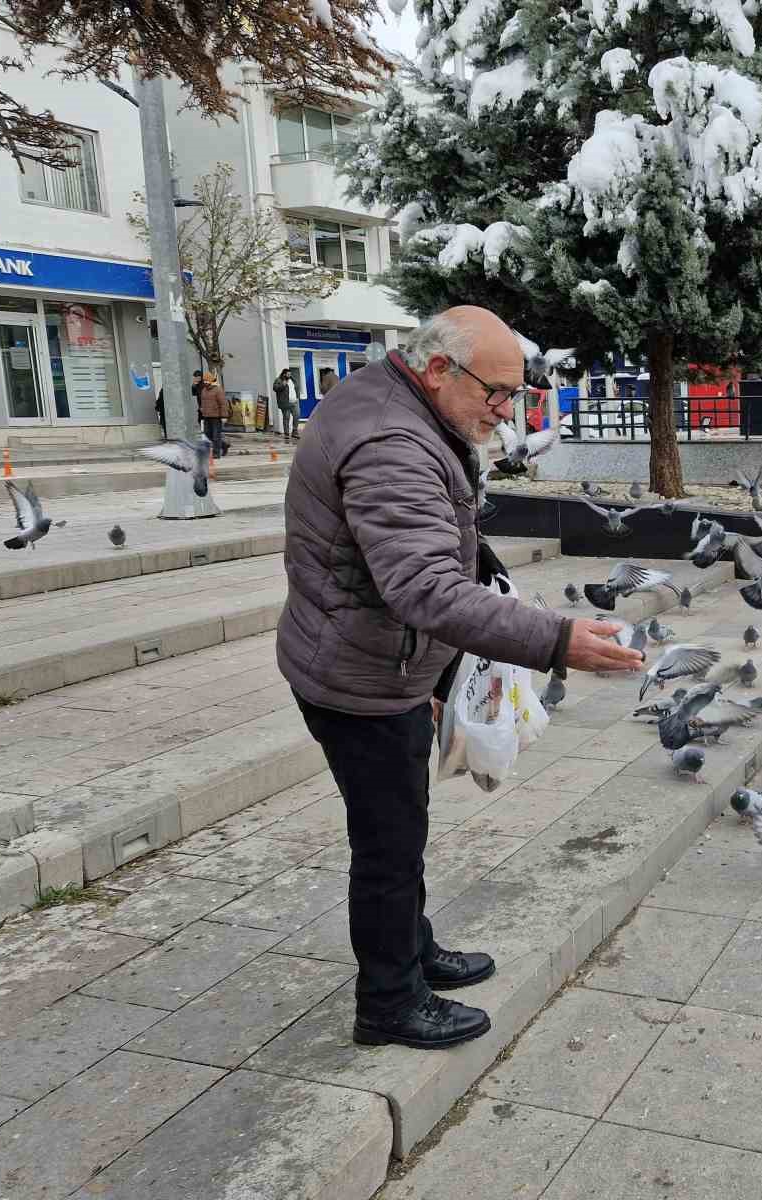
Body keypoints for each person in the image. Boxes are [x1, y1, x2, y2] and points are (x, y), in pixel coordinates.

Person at [276, 306, 645, 1051]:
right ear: (439, 368)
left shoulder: (397, 397)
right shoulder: (390, 441)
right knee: (387, 843)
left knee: (400, 827)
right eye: (498, 393)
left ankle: (413, 950)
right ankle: (389, 1002)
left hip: (373, 656)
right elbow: (424, 588)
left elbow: (432, 542)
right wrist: (556, 638)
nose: (506, 412)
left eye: (516, 397)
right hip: (359, 676)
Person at [198, 371, 230, 457]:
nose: (205, 382)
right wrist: (202, 409)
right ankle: (223, 445)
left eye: (207, 381)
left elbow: (223, 403)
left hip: (216, 416)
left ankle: (216, 453)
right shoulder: (204, 390)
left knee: (216, 435)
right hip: (206, 416)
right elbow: (203, 402)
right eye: (204, 381)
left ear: (211, 380)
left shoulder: (218, 390)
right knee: (207, 434)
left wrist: (224, 416)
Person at [273, 368, 299, 442]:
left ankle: (295, 432)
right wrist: (282, 385)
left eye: (290, 374)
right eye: (288, 374)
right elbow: (275, 388)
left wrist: (297, 397)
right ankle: (287, 434)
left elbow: (297, 387)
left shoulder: (292, 380)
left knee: (297, 415)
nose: (290, 375)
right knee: (286, 418)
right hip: (285, 402)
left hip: (294, 402)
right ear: (284, 374)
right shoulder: (279, 380)